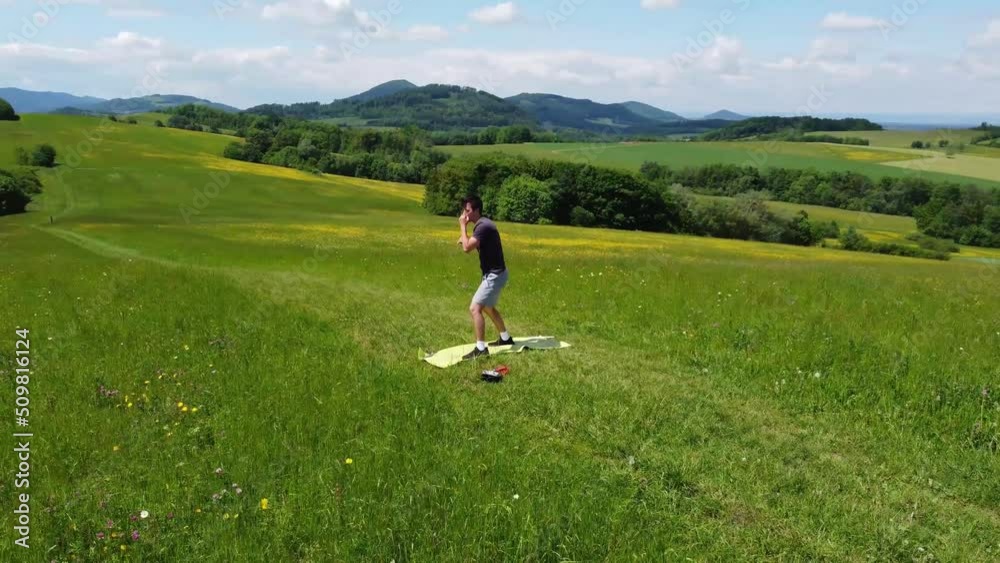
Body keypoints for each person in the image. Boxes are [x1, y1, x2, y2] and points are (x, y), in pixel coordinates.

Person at [458, 195, 514, 360]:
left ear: (476, 210)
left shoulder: (483, 226)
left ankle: (481, 349)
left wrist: (462, 226)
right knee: (488, 307)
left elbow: (467, 248)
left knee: (475, 308)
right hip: (497, 274)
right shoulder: (483, 225)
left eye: (467, 211)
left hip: (494, 275)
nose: (464, 215)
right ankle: (505, 338)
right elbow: (473, 242)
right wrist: (465, 238)